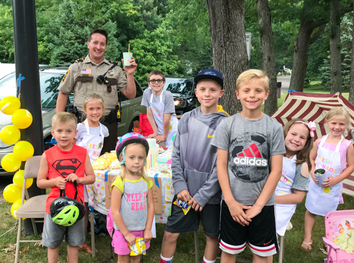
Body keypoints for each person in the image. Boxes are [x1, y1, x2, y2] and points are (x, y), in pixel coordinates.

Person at [211, 69, 286, 263]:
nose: (252, 95)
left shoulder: (274, 127)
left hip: (263, 205)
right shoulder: (226, 125)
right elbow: (221, 166)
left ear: (267, 94)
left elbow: (276, 170)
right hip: (232, 203)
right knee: (229, 252)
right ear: (237, 94)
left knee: (262, 255)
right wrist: (230, 202)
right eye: (246, 91)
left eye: (258, 91)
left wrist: (259, 206)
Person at [160, 68, 229, 263]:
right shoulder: (187, 119)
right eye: (203, 89)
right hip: (185, 194)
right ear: (196, 92)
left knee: (211, 236)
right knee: (170, 234)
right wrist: (180, 186)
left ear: (221, 93)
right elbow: (176, 155)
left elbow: (221, 166)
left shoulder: (225, 124)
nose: (207, 93)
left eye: (213, 90)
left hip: (211, 197)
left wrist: (203, 195)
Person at [56, 29, 138, 154]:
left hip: (108, 123)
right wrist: (59, 123)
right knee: (79, 159)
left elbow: (131, 95)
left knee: (107, 161)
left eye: (102, 44)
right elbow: (63, 93)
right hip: (81, 124)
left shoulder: (115, 69)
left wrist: (129, 73)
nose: (98, 47)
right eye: (95, 43)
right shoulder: (77, 67)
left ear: (106, 47)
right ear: (88, 44)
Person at [37, 112, 95, 263]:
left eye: (69, 131)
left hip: (76, 207)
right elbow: (40, 182)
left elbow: (91, 178)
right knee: (53, 243)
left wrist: (79, 179)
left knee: (74, 242)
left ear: (75, 133)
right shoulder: (47, 155)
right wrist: (54, 182)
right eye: (60, 131)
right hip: (54, 208)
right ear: (53, 133)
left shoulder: (82, 153)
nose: (64, 135)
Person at [302, 107, 354, 251]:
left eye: (341, 124)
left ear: (347, 125)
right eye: (334, 123)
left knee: (330, 214)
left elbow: (351, 166)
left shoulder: (347, 146)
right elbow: (311, 158)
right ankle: (307, 238)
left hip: (333, 185)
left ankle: (330, 239)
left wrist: (336, 179)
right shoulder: (320, 141)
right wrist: (312, 172)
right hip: (316, 183)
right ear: (327, 122)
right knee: (311, 210)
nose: (337, 127)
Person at [267, 119, 314, 263]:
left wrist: (270, 200)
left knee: (267, 236)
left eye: (302, 137)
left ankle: (268, 247)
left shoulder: (302, 165)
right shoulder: (272, 153)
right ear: (285, 133)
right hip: (263, 194)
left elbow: (298, 197)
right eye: (293, 134)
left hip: (282, 203)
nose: (296, 139)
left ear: (306, 142)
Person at [110, 133, 154, 263]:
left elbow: (151, 206)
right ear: (122, 157)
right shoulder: (119, 183)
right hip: (124, 231)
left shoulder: (146, 182)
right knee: (123, 259)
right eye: (132, 157)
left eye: (140, 157)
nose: (136, 161)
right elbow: (115, 211)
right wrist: (126, 234)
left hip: (140, 230)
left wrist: (147, 229)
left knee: (136, 258)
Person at [74, 93, 109, 254]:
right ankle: (76, 237)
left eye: (98, 108)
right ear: (84, 110)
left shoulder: (104, 129)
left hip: (95, 172)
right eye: (91, 109)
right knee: (81, 205)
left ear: (103, 109)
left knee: (89, 206)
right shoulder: (81, 128)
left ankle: (84, 237)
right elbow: (72, 148)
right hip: (80, 171)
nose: (95, 112)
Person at [141, 70, 178, 148]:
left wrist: (164, 136)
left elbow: (167, 118)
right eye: (153, 81)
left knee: (171, 151)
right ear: (149, 84)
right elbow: (149, 114)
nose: (156, 83)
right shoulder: (147, 93)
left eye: (159, 80)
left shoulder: (167, 95)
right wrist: (155, 132)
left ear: (164, 83)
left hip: (171, 129)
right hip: (160, 128)